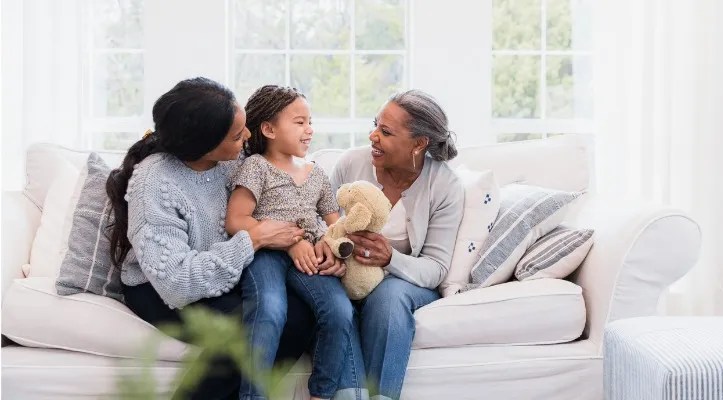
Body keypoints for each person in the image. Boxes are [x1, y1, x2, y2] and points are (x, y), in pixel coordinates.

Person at [105, 77, 315, 400]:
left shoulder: (236, 159)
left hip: (224, 277)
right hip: (160, 287)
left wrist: (303, 237)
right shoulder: (155, 182)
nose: (247, 137)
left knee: (297, 315)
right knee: (249, 324)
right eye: (236, 135)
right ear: (203, 145)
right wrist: (253, 240)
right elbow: (177, 282)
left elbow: (283, 198)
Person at [226, 85, 367, 400]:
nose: (310, 130)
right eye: (300, 122)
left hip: (311, 258)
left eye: (310, 121)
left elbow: (336, 226)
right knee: (270, 311)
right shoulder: (256, 167)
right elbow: (236, 220)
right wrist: (289, 241)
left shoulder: (316, 174)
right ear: (269, 129)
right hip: (266, 254)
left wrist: (335, 254)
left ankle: (322, 393)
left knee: (340, 313)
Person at [330, 90, 465, 400]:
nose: (372, 136)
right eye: (375, 125)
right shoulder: (350, 164)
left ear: (418, 144)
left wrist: (389, 258)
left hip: (404, 282)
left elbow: (436, 267)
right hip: (345, 273)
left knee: (388, 297)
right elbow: (325, 228)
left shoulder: (444, 185)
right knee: (333, 299)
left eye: (386, 132)